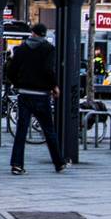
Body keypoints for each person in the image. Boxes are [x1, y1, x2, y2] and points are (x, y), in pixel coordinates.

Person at [4, 22, 66, 176]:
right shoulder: (48, 49)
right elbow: (48, 70)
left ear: (32, 33)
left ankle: (17, 165)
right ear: (44, 35)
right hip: (41, 95)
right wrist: (54, 86)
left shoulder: (22, 48)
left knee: (21, 131)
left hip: (24, 94)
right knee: (49, 130)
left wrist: (17, 83)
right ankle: (59, 163)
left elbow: (10, 69)